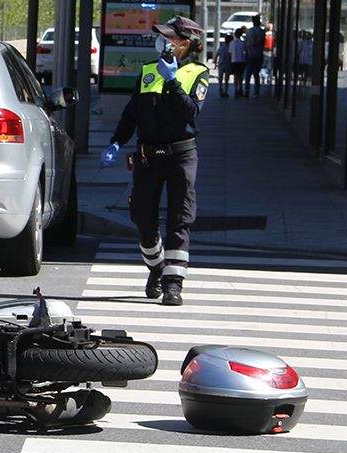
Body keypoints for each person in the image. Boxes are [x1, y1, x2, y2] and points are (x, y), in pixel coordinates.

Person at [100, 16, 211, 305]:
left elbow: (192, 112)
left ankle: (173, 285)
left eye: (169, 37)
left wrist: (173, 81)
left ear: (185, 43)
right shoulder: (149, 70)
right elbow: (132, 112)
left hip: (181, 155)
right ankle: (157, 268)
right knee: (142, 217)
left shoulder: (198, 73)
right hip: (148, 156)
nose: (162, 41)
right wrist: (116, 141)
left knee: (179, 219)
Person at [244, 15, 267, 97]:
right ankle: (256, 92)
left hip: (250, 54)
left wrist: (247, 51)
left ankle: (246, 91)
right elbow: (262, 43)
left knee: (248, 73)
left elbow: (245, 44)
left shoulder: (249, 31)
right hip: (258, 54)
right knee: (256, 74)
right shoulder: (262, 32)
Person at [229, 28, 247, 96]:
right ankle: (241, 88)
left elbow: (230, 53)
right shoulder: (243, 43)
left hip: (234, 61)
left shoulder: (232, 43)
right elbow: (245, 52)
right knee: (241, 76)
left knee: (236, 76)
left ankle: (236, 90)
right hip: (242, 61)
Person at [216, 27, 233, 97]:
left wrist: (215, 63)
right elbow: (232, 57)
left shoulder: (221, 47)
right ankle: (226, 91)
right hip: (228, 64)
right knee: (226, 78)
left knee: (220, 77)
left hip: (221, 64)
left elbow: (216, 55)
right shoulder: (231, 48)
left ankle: (220, 88)